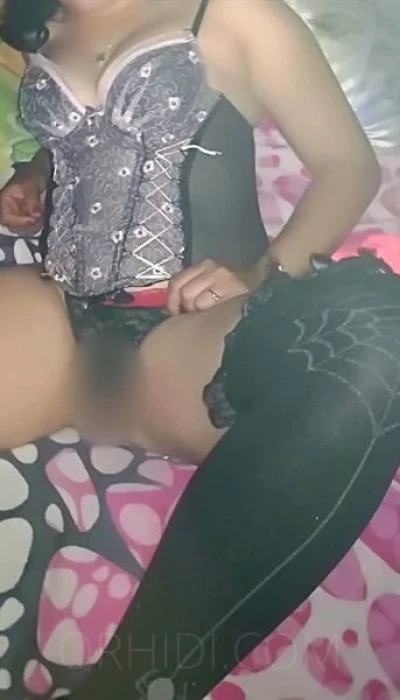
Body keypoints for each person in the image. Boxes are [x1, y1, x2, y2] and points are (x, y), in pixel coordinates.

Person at [0, 0, 400, 698]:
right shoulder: (40, 24)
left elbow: (349, 166)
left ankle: (136, 685)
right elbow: (87, 137)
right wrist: (37, 174)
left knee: (372, 333)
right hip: (58, 308)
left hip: (190, 337)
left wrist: (264, 272)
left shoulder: (235, 13)